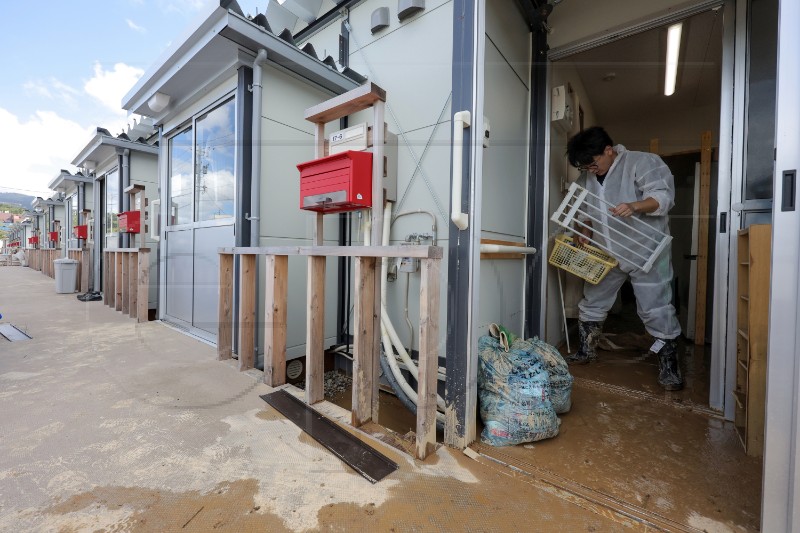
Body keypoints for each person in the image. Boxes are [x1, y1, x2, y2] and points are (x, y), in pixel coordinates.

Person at [565, 126, 683, 391]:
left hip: (646, 249)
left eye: (593, 163)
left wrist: (635, 205)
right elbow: (585, 210)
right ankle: (587, 349)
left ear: (609, 150)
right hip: (608, 251)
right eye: (585, 167)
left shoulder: (642, 162)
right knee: (593, 298)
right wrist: (584, 230)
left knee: (656, 307)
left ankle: (669, 365)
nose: (590, 169)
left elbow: (663, 197)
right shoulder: (588, 177)